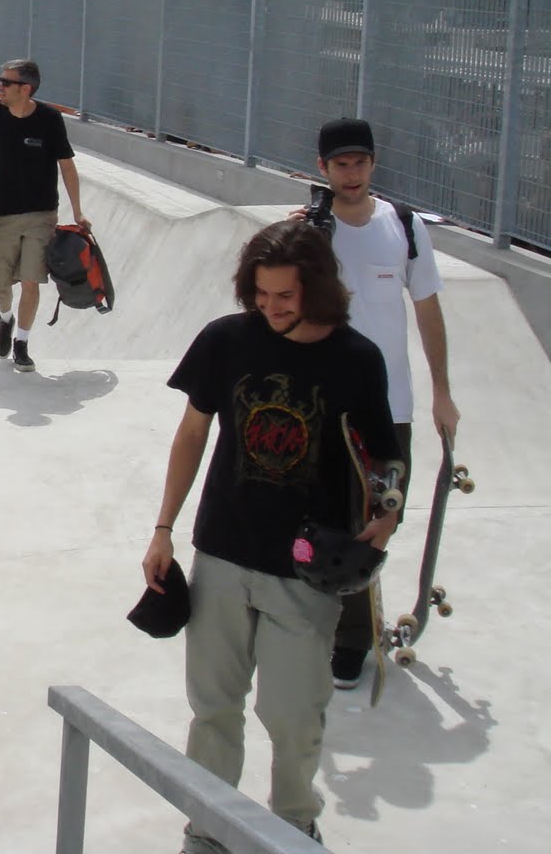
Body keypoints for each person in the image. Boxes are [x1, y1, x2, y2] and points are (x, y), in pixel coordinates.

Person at [141, 219, 405, 852]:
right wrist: (163, 529)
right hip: (223, 552)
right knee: (214, 707)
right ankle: (208, 828)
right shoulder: (226, 341)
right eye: (260, 295)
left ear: (317, 287)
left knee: (293, 715)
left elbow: (384, 457)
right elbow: (191, 435)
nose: (272, 308)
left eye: (285, 296)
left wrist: (389, 510)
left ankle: (292, 824)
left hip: (306, 568)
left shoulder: (357, 359)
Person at [311, 116, 459, 690]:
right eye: (341, 164)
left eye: (361, 163)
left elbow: (427, 309)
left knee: (378, 518)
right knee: (327, 516)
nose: (352, 174)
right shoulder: (311, 230)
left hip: (390, 406)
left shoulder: (405, 226)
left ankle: (352, 635)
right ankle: (334, 629)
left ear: (373, 164)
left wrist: (442, 393)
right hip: (326, 404)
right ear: (323, 168)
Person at [0, 59, 90, 372]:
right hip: (2, 214)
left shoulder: (49, 119)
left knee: (31, 280)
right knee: (0, 280)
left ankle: (22, 342)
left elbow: (66, 165)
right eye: (1, 80)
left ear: (25, 88)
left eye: (6, 82)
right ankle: (6, 319)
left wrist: (78, 210)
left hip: (41, 215)